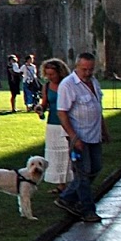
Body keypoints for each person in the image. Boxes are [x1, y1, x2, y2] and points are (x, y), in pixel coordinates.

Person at [56, 52, 109, 223]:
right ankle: (88, 210)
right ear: (77, 67)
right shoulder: (68, 85)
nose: (87, 73)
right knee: (83, 173)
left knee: (96, 167)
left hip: (94, 135)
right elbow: (62, 113)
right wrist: (74, 137)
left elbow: (98, 108)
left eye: (91, 69)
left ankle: (67, 197)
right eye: (84, 69)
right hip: (79, 136)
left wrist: (104, 130)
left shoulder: (94, 82)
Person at [37, 57, 72, 188]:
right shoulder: (47, 86)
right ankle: (60, 184)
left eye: (53, 74)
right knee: (55, 155)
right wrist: (40, 109)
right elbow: (45, 104)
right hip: (53, 124)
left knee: (68, 153)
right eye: (48, 74)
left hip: (67, 123)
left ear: (60, 72)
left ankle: (70, 182)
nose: (50, 77)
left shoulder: (68, 85)